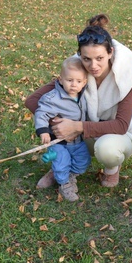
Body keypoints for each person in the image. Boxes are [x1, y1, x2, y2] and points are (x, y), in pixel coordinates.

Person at [25, 14, 132, 189]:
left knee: (107, 150)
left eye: (99, 58)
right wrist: (59, 124)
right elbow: (33, 101)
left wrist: (76, 126)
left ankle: (112, 168)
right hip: (85, 131)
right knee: (63, 132)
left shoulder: (126, 76)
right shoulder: (77, 73)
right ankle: (61, 165)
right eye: (86, 59)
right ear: (79, 55)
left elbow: (121, 125)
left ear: (110, 53)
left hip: (119, 134)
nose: (93, 66)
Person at [34, 56, 91, 201]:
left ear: (84, 82)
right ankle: (64, 183)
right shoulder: (53, 98)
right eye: (69, 80)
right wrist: (43, 131)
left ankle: (71, 175)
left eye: (78, 81)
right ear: (60, 79)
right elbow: (41, 113)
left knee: (83, 160)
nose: (74, 85)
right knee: (61, 163)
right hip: (58, 142)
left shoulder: (85, 95)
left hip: (78, 140)